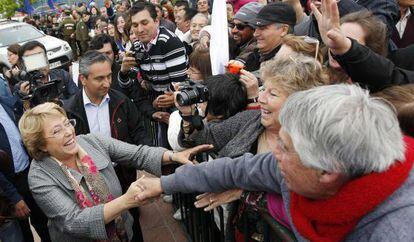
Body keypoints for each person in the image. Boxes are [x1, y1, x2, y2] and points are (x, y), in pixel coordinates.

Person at [136, 83, 414, 241]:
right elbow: (235, 168)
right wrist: (163, 184)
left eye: (285, 147)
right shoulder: (300, 164)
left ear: (327, 171)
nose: (273, 153)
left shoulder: (395, 231)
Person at [19, 102, 211, 241]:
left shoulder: (91, 141)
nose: (69, 132)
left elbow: (137, 154)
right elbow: (74, 222)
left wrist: (174, 155)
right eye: (56, 131)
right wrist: (127, 200)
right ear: (41, 145)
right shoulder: (39, 176)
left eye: (67, 123)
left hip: (123, 231)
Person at [63, 51, 150, 242]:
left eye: (110, 76)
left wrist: (145, 158)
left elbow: (139, 131)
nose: (107, 83)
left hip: (123, 174)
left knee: (131, 222)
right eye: (100, 78)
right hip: (89, 181)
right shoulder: (69, 110)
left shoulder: (121, 101)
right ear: (83, 79)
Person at [118, 2, 188, 147]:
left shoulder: (170, 43)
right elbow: (131, 86)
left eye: (144, 23)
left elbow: (180, 84)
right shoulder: (136, 46)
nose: (140, 29)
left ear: (156, 21)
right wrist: (123, 71)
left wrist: (159, 100)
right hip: (155, 107)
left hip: (178, 107)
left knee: (179, 148)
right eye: (135, 25)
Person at [0, 96, 51, 242]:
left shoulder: (6, 102)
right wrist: (14, 197)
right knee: (21, 234)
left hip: (29, 175)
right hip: (7, 187)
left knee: (43, 222)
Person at [243, 2, 296, 72]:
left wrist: (257, 83)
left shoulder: (293, 63)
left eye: (262, 28)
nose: (255, 34)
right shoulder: (255, 56)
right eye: (256, 27)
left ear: (284, 30)